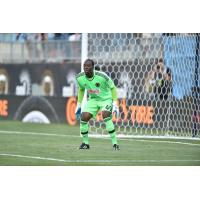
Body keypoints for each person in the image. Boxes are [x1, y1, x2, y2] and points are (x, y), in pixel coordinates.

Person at [75, 59, 120, 150]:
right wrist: (79, 105)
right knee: (84, 117)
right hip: (93, 100)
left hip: (106, 99)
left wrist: (115, 103)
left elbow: (113, 87)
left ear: (93, 67)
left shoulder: (102, 76)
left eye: (88, 66)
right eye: (84, 66)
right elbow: (81, 89)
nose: (86, 68)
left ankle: (115, 144)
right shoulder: (80, 78)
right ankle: (85, 143)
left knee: (105, 115)